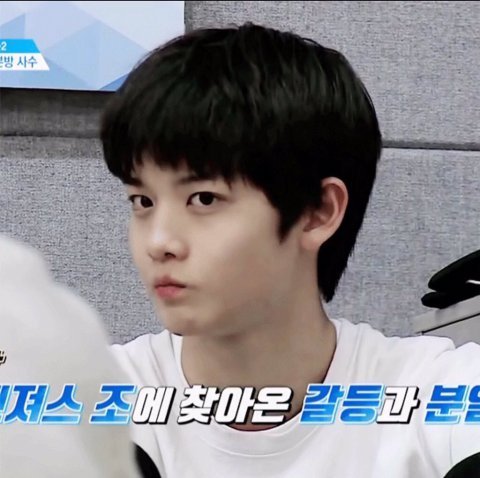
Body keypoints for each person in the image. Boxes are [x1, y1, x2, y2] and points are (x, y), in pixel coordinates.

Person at [97, 22, 480, 477]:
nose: (158, 242)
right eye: (143, 202)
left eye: (203, 199)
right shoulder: (93, 395)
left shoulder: (437, 391)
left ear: (318, 211)